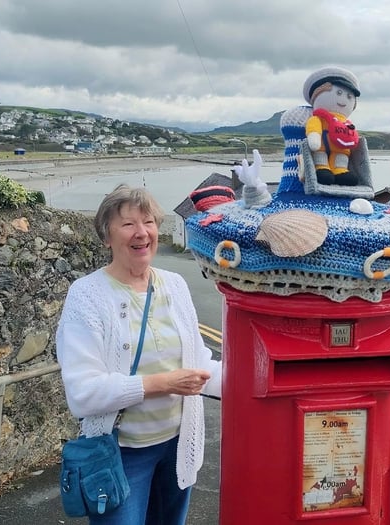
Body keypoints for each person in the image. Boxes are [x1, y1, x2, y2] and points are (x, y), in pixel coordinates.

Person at [56, 184, 222, 525]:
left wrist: (261, 386)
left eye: (148, 222)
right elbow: (83, 393)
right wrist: (163, 383)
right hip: (121, 453)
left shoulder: (174, 284)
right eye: (128, 224)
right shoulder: (86, 295)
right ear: (107, 237)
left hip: (178, 446)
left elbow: (199, 363)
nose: (142, 232)